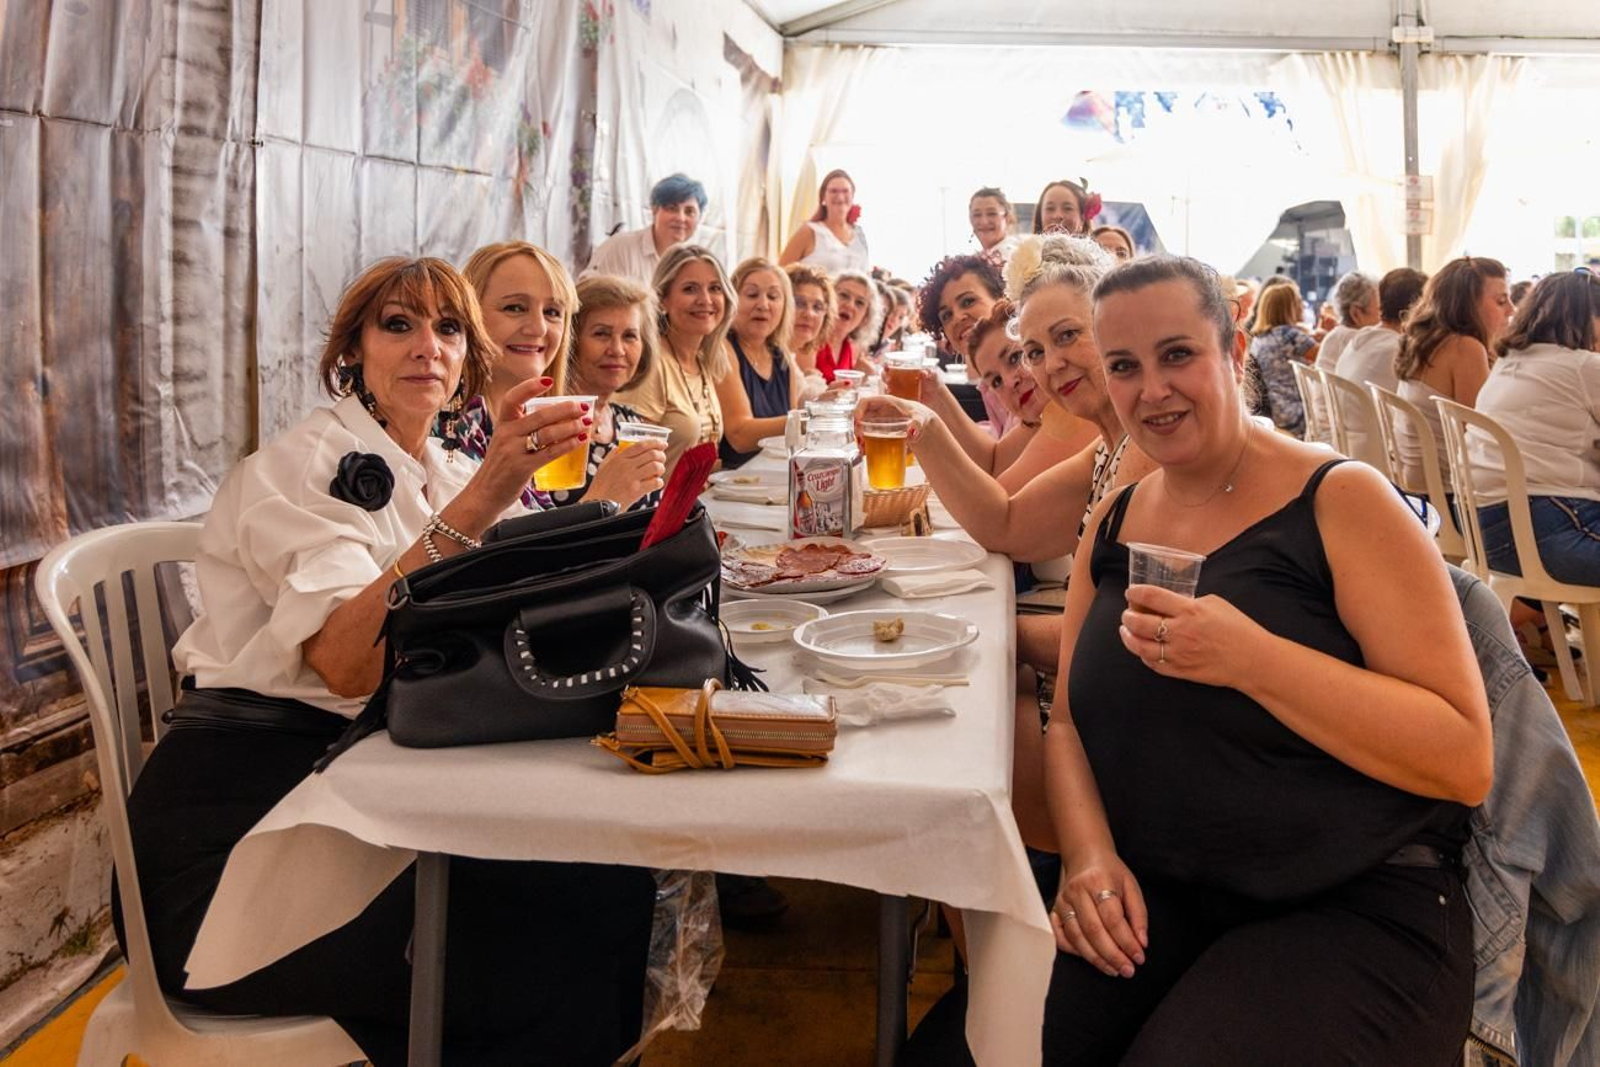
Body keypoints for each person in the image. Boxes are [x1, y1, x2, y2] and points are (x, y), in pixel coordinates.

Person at [119, 257, 656, 1066]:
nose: (425, 348)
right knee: (548, 938)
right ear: (353, 352)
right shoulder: (299, 469)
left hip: (353, 797)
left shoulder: (433, 466)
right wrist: (484, 495)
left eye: (446, 329)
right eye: (398, 325)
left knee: (611, 882)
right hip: (231, 851)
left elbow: (522, 595)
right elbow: (347, 664)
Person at [1038, 254, 1491, 1063]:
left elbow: (1463, 756)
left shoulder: (1343, 500)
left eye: (1178, 354)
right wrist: (1088, 854)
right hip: (1170, 886)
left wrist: (1252, 659)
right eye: (1124, 367)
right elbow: (1067, 720)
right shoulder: (1114, 520)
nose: (1152, 389)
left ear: (1233, 350)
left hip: (1355, 897)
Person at [1472, 270, 1600, 584]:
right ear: (1589, 319)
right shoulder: (1582, 366)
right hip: (1550, 529)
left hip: (1488, 533)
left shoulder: (1509, 361)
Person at [458, 240, 577, 508]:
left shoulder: (541, 427)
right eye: (515, 308)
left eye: (552, 312)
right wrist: (606, 498)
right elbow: (486, 545)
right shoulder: (451, 428)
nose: (538, 328)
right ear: (468, 314)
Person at [1394, 256, 1511, 494]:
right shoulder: (1464, 348)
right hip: (1450, 497)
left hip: (1415, 488)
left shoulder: (1426, 339)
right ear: (1468, 306)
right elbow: (1481, 436)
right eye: (1501, 301)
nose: (1512, 309)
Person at [614, 244, 733, 475]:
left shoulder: (701, 359)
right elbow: (632, 466)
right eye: (690, 289)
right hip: (656, 509)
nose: (705, 300)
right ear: (663, 301)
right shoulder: (652, 364)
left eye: (715, 288)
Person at [557, 274, 669, 508]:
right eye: (601, 334)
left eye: (630, 336)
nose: (617, 350)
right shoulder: (549, 425)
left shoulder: (631, 422)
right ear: (571, 340)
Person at [717, 257, 804, 468]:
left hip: (770, 476)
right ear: (732, 299)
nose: (763, 305)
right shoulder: (723, 348)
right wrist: (811, 421)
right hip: (733, 481)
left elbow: (791, 436)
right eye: (752, 294)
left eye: (773, 296)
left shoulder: (781, 357)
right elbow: (739, 435)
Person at [581, 172, 706, 286]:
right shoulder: (621, 247)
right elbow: (586, 293)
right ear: (654, 209)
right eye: (671, 208)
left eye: (689, 211)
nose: (680, 218)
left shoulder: (692, 262)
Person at [1247, 280, 1319, 436]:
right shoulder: (1289, 335)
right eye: (1299, 301)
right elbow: (1327, 357)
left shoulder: (1260, 338)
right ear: (1289, 306)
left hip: (1275, 411)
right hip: (1297, 414)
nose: (1303, 306)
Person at [779, 168, 869, 274]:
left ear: (853, 195)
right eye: (833, 191)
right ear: (823, 197)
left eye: (845, 191)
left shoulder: (859, 235)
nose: (840, 197)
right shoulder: (809, 232)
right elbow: (781, 273)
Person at [813, 269, 878, 382]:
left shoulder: (853, 350)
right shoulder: (812, 340)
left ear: (865, 317)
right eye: (844, 295)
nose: (850, 305)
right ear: (828, 298)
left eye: (859, 303)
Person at [783, 262, 837, 394]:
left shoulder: (788, 357)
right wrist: (814, 379)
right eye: (799, 303)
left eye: (817, 307)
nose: (809, 314)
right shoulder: (769, 355)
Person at [1314, 271, 1380, 374]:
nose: (1383, 317)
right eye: (1380, 309)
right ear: (1356, 314)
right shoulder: (1357, 342)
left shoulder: (1335, 335)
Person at [1032, 179, 1101, 236]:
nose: (1057, 216)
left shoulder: (1093, 252)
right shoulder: (1026, 252)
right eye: (1050, 208)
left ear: (1082, 219)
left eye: (1067, 208)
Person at [970, 186, 1019, 266]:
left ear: (1007, 218)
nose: (984, 221)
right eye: (977, 215)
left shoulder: (1014, 259)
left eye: (992, 214)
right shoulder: (975, 260)